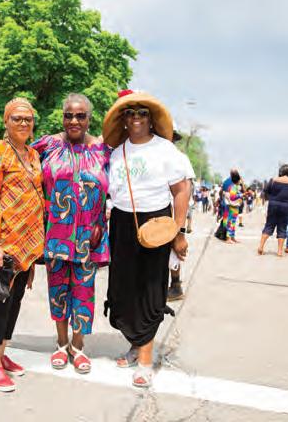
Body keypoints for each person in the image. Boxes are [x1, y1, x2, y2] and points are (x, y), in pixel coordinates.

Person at [103, 90, 189, 387]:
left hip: (156, 222)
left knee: (150, 290)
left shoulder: (165, 149)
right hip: (122, 223)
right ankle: (135, 343)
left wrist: (178, 232)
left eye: (142, 113)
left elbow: (181, 190)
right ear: (123, 120)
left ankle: (145, 361)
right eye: (130, 113)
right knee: (123, 289)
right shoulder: (117, 152)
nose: (136, 118)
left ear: (151, 119)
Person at [32, 93, 111, 374]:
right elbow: (22, 164)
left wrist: (105, 215)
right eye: (69, 115)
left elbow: (118, 186)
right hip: (55, 234)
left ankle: (78, 347)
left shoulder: (103, 150)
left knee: (84, 292)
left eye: (80, 116)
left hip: (90, 236)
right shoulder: (47, 145)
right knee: (57, 290)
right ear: (62, 117)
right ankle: (61, 343)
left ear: (89, 118)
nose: (74, 121)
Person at [0, 98, 44, 392]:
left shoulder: (33, 154)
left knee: (15, 300)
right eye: (16, 118)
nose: (23, 123)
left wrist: (35, 250)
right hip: (4, 242)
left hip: (28, 243)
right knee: (1, 301)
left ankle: (3, 353)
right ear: (6, 122)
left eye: (27, 119)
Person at [168, 124, 196, 302]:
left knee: (173, 251)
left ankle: (176, 285)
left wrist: (181, 231)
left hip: (173, 211)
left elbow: (187, 190)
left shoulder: (179, 158)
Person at [258, 165, 288, 257]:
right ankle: (279, 251)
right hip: (287, 207)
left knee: (269, 226)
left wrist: (271, 198)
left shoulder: (273, 180)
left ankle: (261, 247)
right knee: (282, 228)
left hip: (273, 206)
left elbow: (265, 192)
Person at [222, 169, 243, 244]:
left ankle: (232, 237)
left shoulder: (235, 186)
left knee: (233, 222)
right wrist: (240, 195)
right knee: (230, 222)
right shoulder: (233, 187)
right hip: (232, 207)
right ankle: (228, 238)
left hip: (234, 207)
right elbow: (232, 197)